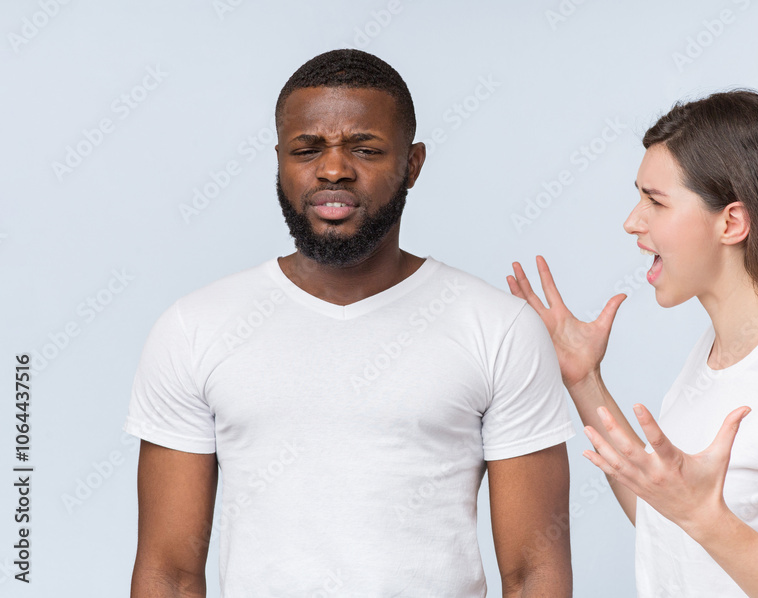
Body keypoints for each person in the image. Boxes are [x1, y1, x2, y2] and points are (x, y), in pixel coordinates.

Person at [124, 49, 574, 597]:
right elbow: (169, 574)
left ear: (413, 164)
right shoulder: (194, 328)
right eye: (307, 149)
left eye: (365, 149)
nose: (334, 169)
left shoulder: (498, 328)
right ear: (280, 161)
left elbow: (533, 573)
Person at [508, 90, 758, 597]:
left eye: (656, 201)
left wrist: (705, 517)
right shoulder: (710, 358)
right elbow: (669, 528)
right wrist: (584, 379)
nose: (632, 222)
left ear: (731, 222)